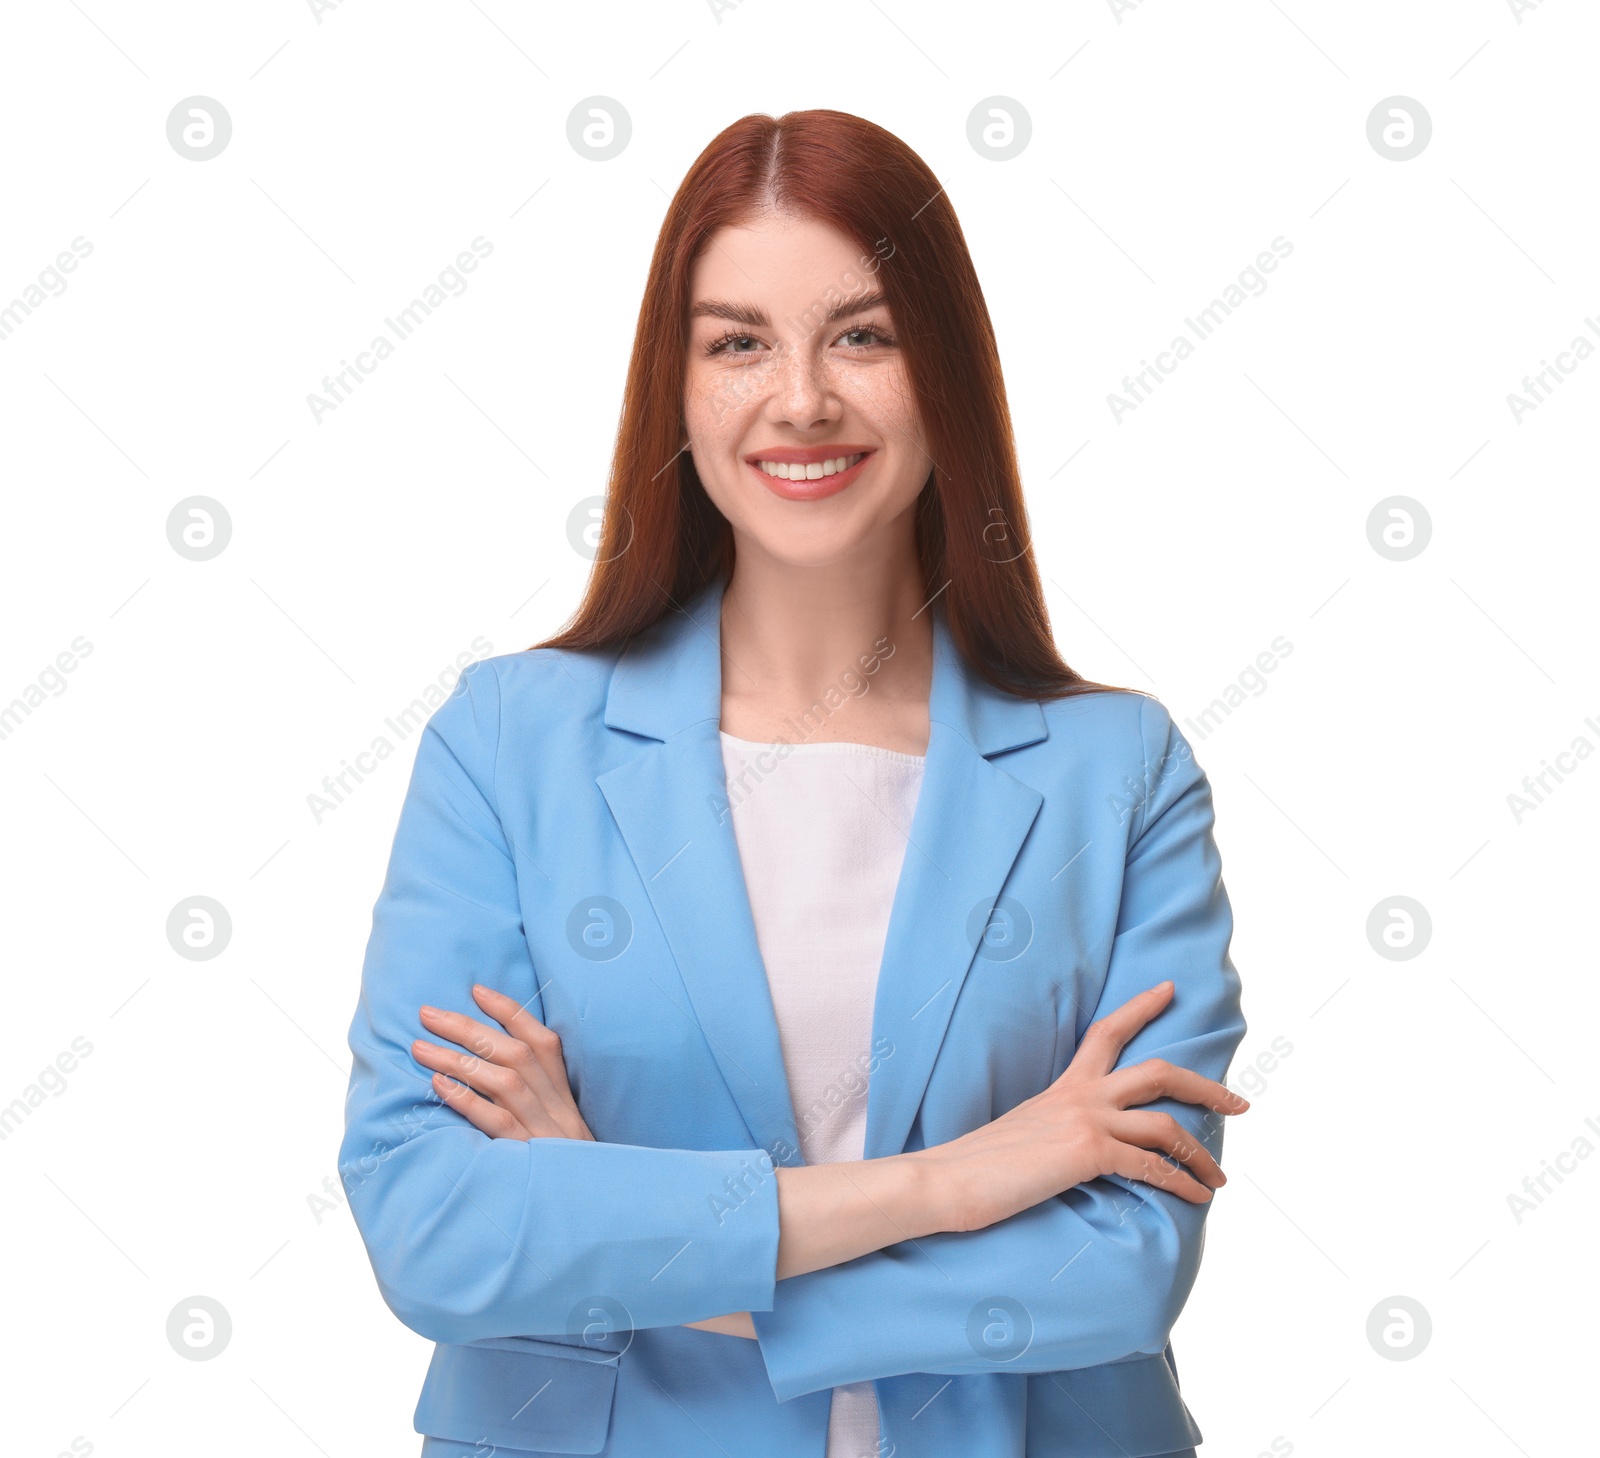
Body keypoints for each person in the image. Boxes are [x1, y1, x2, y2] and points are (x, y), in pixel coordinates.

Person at [340, 108, 1249, 1458]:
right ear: (680, 387)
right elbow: (438, 1229)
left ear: (947, 370)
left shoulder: (1118, 773)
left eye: (864, 334)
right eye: (738, 341)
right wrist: (960, 1182)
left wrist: (616, 1219)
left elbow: (1117, 1266)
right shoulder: (509, 744)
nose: (804, 397)